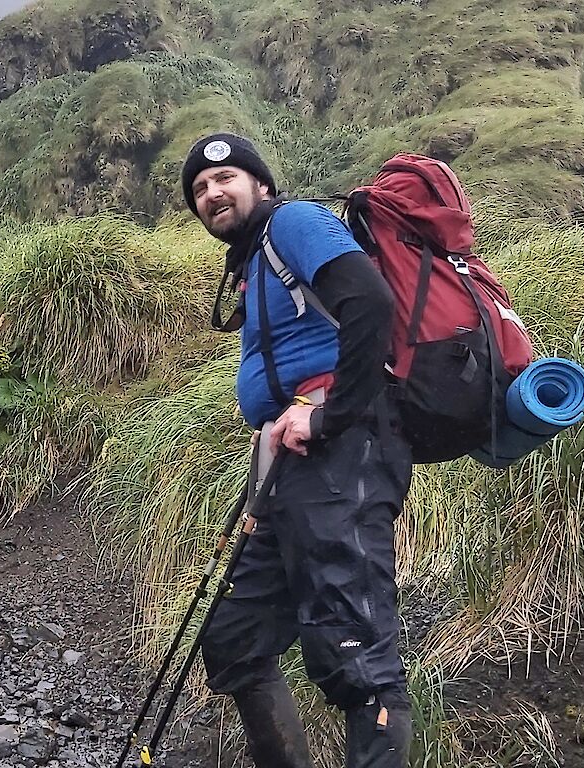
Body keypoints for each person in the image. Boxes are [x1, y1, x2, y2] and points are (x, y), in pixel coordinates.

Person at [181, 133, 414, 768]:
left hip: (344, 450)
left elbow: (369, 301)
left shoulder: (294, 222)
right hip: (289, 466)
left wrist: (334, 416)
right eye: (199, 189)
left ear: (261, 184)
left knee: (358, 655)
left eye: (225, 177)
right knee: (234, 638)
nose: (212, 193)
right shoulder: (255, 261)